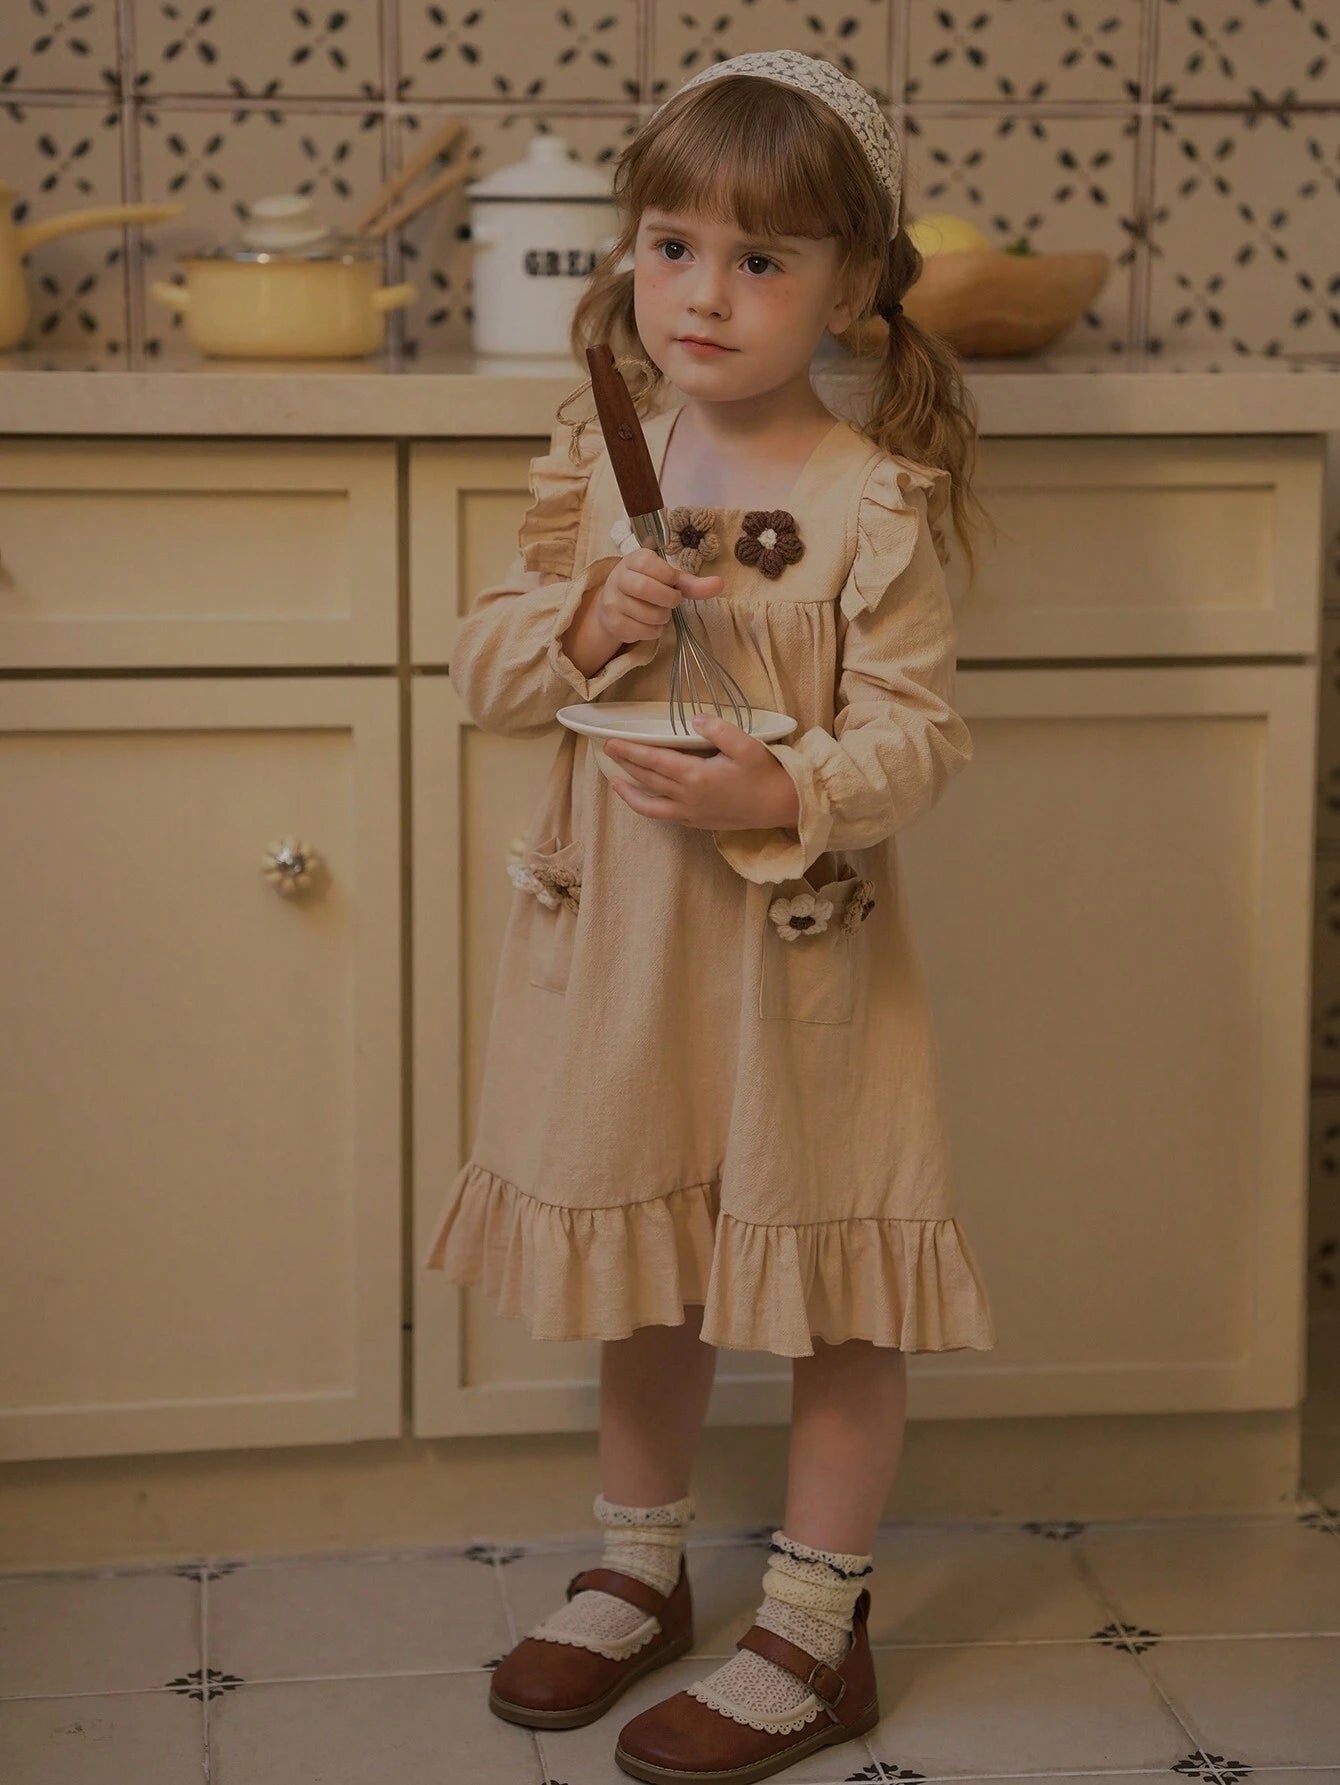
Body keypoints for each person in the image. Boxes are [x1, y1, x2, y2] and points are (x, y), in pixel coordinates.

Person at [422, 48, 999, 1785]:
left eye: (760, 259)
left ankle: (815, 1621)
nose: (704, 293)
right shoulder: (602, 451)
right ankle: (639, 1566)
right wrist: (585, 619)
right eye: (673, 245)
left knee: (841, 1279)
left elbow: (920, 737)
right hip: (616, 953)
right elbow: (487, 672)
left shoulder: (870, 497)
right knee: (648, 1258)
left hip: (800, 958)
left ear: (852, 284)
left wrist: (781, 786)